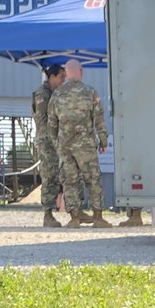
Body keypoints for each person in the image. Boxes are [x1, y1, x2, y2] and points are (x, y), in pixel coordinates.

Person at [47, 59, 109, 228]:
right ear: (80, 71)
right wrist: (103, 140)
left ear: (66, 73)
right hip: (86, 146)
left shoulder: (57, 95)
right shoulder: (90, 93)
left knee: (70, 181)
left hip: (65, 147)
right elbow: (99, 119)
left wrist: (57, 145)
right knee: (93, 180)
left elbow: (51, 124)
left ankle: (74, 218)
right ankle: (98, 218)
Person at [31, 63, 67, 228]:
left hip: (54, 141)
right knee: (49, 176)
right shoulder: (43, 94)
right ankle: (47, 214)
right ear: (52, 77)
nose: (63, 80)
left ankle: (52, 211)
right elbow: (42, 120)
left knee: (56, 176)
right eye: (61, 77)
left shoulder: (55, 94)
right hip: (47, 142)